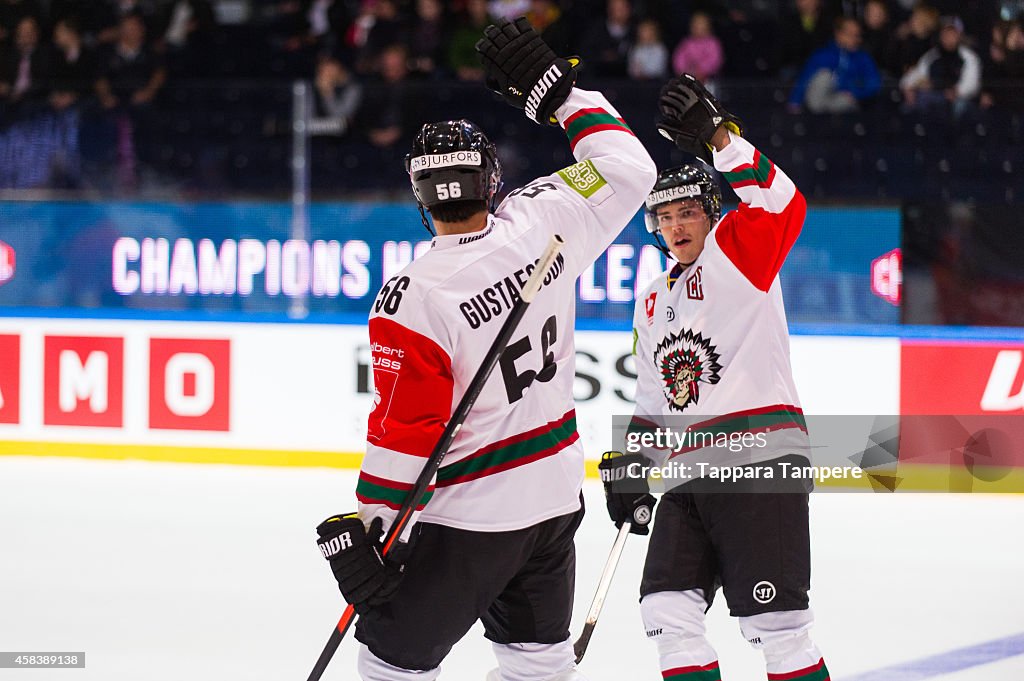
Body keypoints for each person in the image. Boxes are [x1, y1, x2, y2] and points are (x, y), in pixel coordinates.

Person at [315, 16, 656, 681]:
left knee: (391, 665)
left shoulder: (412, 295)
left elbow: (406, 434)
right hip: (555, 497)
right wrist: (562, 97)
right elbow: (630, 168)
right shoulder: (546, 214)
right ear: (491, 178)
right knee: (540, 666)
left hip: (473, 515)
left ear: (421, 196)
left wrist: (375, 534)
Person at [600, 74, 831, 681]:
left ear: (712, 213)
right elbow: (655, 396)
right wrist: (632, 460)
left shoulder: (738, 253)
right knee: (666, 611)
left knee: (778, 629)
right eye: (663, 217)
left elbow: (784, 204)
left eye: (688, 213)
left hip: (760, 458)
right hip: (688, 471)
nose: (676, 227)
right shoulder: (651, 299)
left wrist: (722, 142)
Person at [788, 16, 881, 113]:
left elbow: (874, 83)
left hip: (846, 101)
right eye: (849, 34)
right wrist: (795, 101)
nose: (854, 38)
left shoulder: (863, 58)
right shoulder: (823, 54)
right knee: (824, 76)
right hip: (818, 102)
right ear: (838, 34)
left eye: (857, 35)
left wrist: (855, 93)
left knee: (846, 101)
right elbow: (805, 78)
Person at [900, 16, 982, 119]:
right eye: (946, 33)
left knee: (960, 107)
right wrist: (908, 87)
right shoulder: (932, 55)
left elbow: (972, 84)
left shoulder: (969, 57)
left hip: (957, 100)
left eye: (953, 33)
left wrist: (957, 91)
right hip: (934, 97)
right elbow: (913, 76)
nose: (949, 37)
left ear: (959, 35)